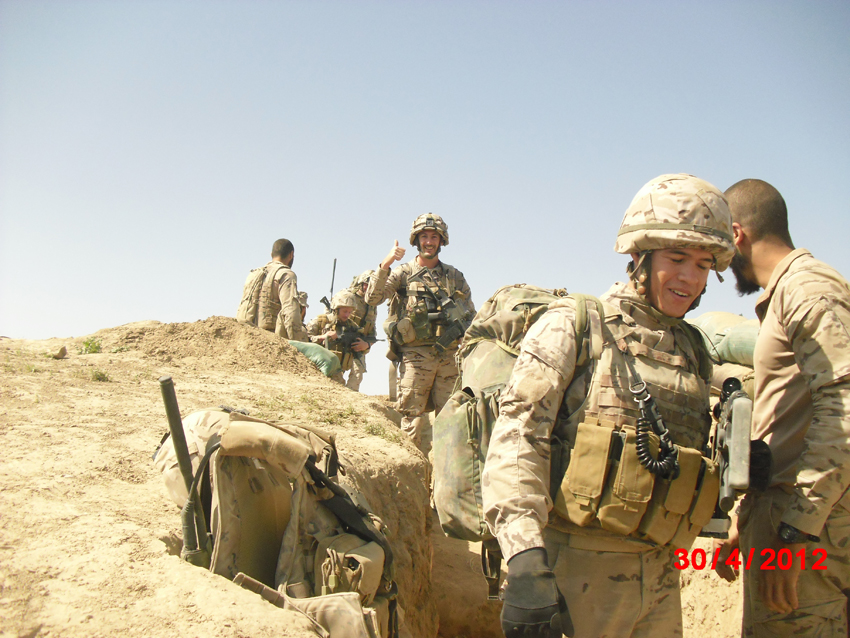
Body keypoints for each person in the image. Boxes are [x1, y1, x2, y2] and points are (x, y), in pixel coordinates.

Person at [482, 173, 735, 638]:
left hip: (661, 577)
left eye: (703, 265)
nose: (690, 277)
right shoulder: (575, 326)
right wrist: (524, 558)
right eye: (677, 258)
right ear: (639, 256)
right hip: (574, 573)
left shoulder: (693, 350)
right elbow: (518, 439)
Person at [712, 179, 850, 637]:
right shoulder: (787, 293)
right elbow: (790, 414)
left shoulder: (807, 289)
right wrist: (752, 518)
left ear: (736, 235)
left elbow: (844, 411)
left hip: (808, 530)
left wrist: (794, 534)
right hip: (785, 516)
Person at [365, 213, 474, 454]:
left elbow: (470, 315)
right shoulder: (403, 273)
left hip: (449, 358)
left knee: (452, 420)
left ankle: (445, 473)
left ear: (442, 241)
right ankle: (413, 472)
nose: (429, 242)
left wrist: (464, 337)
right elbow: (372, 298)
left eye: (434, 237)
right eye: (424, 236)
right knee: (412, 421)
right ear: (416, 240)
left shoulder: (455, 277)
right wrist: (385, 264)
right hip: (415, 357)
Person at [241, 238, 308, 342]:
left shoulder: (253, 274)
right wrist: (299, 344)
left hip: (246, 337)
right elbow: (290, 313)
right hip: (270, 340)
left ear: (271, 254)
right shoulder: (286, 274)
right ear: (291, 255)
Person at [307, 290, 371, 386]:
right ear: (336, 309)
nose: (347, 315)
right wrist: (322, 337)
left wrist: (366, 346)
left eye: (350, 312)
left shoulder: (353, 327)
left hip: (337, 372)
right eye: (344, 311)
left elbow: (360, 350)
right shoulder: (320, 322)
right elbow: (304, 340)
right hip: (315, 369)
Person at [344, 270, 379, 392]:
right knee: (334, 376)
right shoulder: (348, 297)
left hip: (358, 347)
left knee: (357, 375)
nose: (369, 288)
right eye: (367, 285)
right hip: (340, 343)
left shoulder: (372, 305)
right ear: (361, 284)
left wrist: (367, 344)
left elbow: (372, 332)